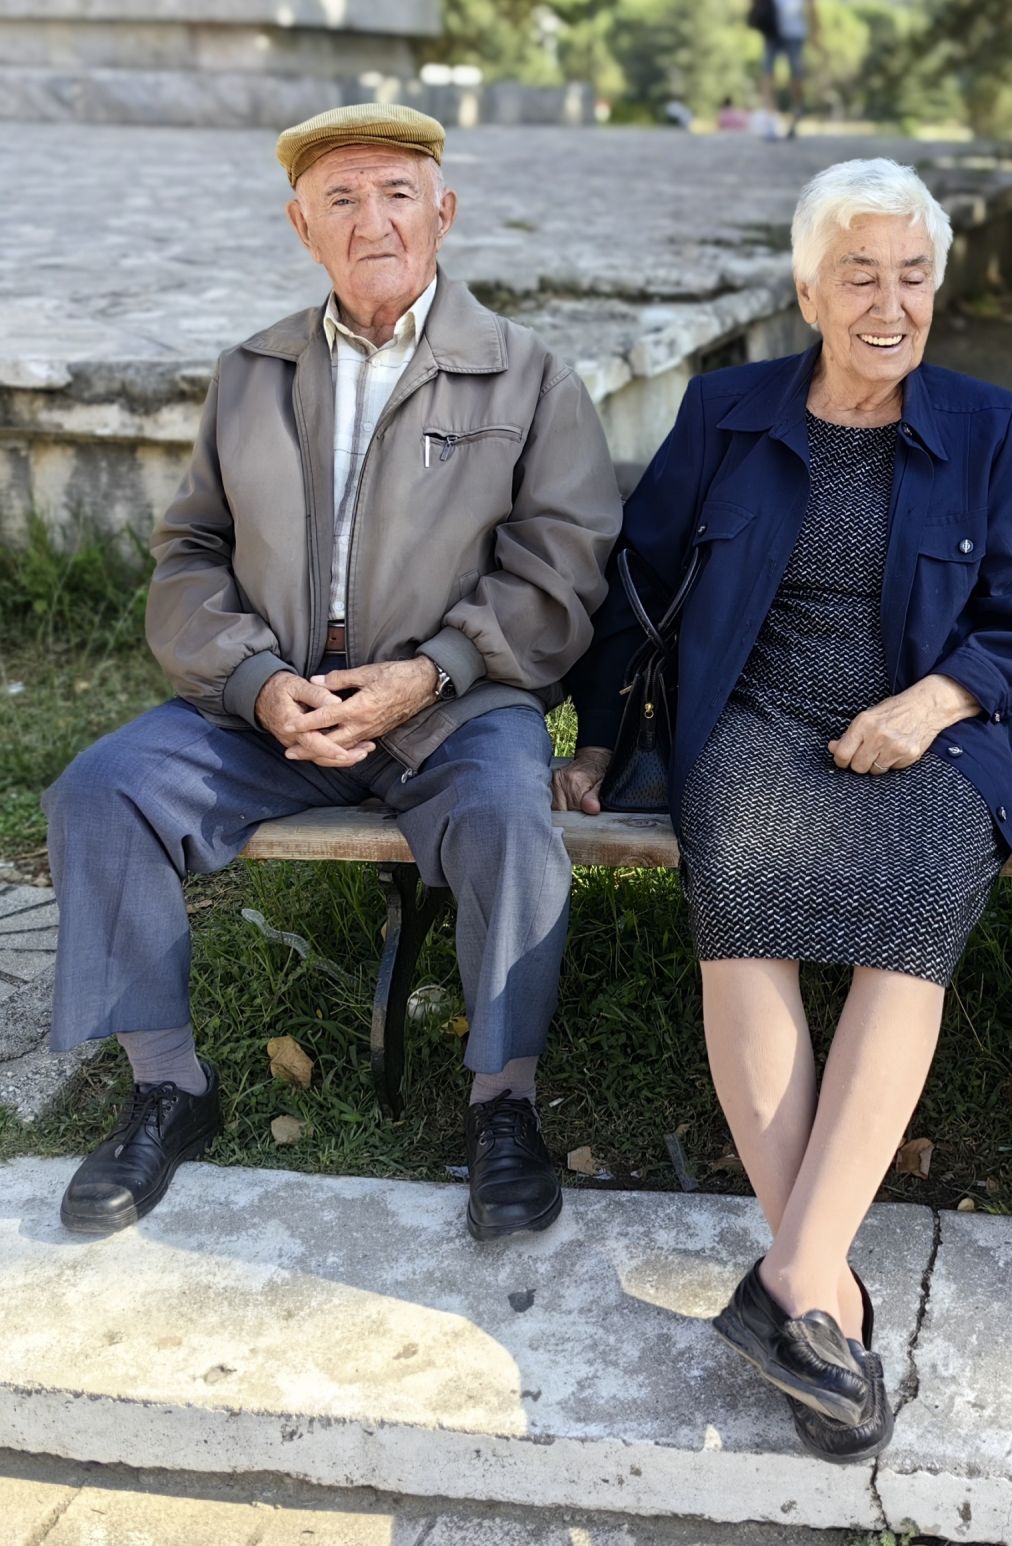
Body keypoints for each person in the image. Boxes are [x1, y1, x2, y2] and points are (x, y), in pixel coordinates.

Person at [560, 158, 1012, 1460]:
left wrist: (938, 699)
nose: (889, 300)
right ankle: (826, 1294)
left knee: (918, 897)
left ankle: (793, 1275)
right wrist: (597, 734)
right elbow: (638, 579)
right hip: (752, 715)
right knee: (737, 880)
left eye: (914, 275)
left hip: (916, 728)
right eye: (860, 273)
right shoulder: (730, 411)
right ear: (809, 286)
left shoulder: (985, 422)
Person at [43, 104, 623, 1243]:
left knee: (511, 814)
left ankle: (502, 1104)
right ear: (303, 227)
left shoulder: (526, 376)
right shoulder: (251, 372)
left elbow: (562, 570)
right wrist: (258, 682)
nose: (374, 221)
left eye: (397, 193)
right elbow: (188, 559)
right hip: (275, 712)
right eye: (343, 200)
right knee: (98, 791)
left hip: (453, 710)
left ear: (442, 213)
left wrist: (433, 671)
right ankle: (169, 1085)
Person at [755, 0, 819, 139]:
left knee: (796, 78)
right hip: (772, 29)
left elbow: (812, 7)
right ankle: (770, 120)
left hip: (795, 33)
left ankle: (796, 113)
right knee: (767, 74)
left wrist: (815, 32)